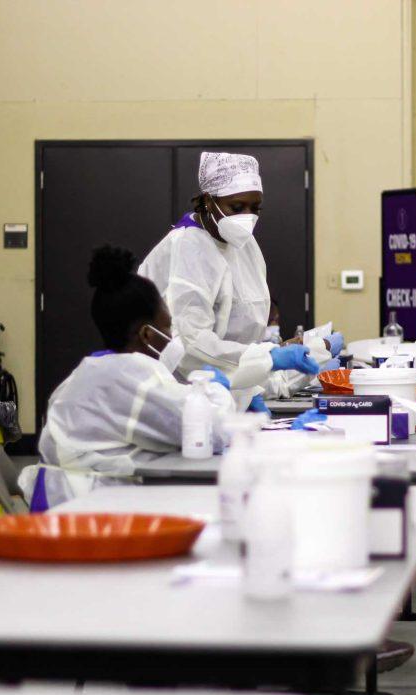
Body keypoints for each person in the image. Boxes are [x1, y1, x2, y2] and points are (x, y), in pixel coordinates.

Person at [23, 246, 274, 508]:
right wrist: (216, 389)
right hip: (87, 511)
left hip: (72, 500)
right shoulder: (131, 376)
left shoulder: (93, 370)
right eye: (168, 325)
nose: (172, 335)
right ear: (146, 334)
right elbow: (210, 431)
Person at [138, 152, 330, 399]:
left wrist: (274, 354)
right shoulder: (187, 248)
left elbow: (248, 324)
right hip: (183, 392)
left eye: (255, 208)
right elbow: (191, 345)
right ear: (208, 200)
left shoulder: (244, 244)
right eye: (237, 207)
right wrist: (267, 357)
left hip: (229, 388)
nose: (247, 216)